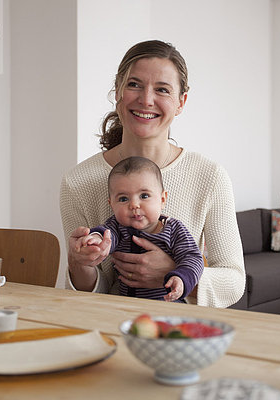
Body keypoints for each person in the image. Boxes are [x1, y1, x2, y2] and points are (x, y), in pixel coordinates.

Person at [60, 39, 245, 308]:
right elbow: (88, 292)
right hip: (111, 324)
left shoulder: (210, 176)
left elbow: (234, 280)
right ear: (118, 92)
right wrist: (80, 264)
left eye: (162, 89)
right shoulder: (77, 182)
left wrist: (173, 274)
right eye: (134, 85)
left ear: (181, 102)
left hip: (182, 332)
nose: (146, 100)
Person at [74, 156, 204, 302]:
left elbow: (193, 258)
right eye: (123, 199)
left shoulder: (174, 229)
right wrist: (95, 240)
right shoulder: (117, 227)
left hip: (168, 306)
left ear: (162, 199)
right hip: (127, 306)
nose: (134, 205)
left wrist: (181, 278)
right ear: (112, 204)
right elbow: (105, 235)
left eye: (144, 196)